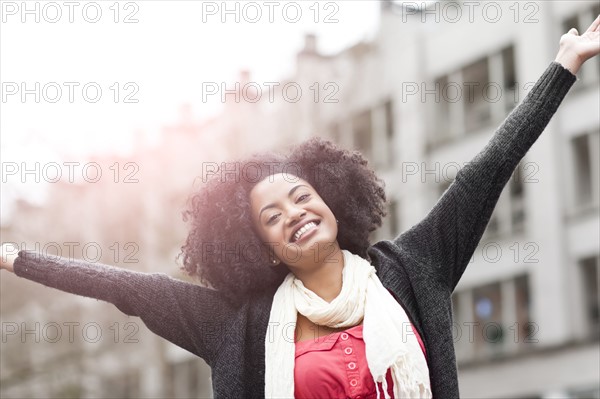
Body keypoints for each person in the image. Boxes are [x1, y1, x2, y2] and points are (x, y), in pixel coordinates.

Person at [2, 17, 600, 399]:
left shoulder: (414, 268)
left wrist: (564, 65)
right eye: (271, 216)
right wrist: (15, 256)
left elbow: (486, 172)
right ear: (258, 244)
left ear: (332, 199)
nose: (293, 212)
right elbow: (123, 286)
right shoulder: (234, 324)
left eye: (301, 196)